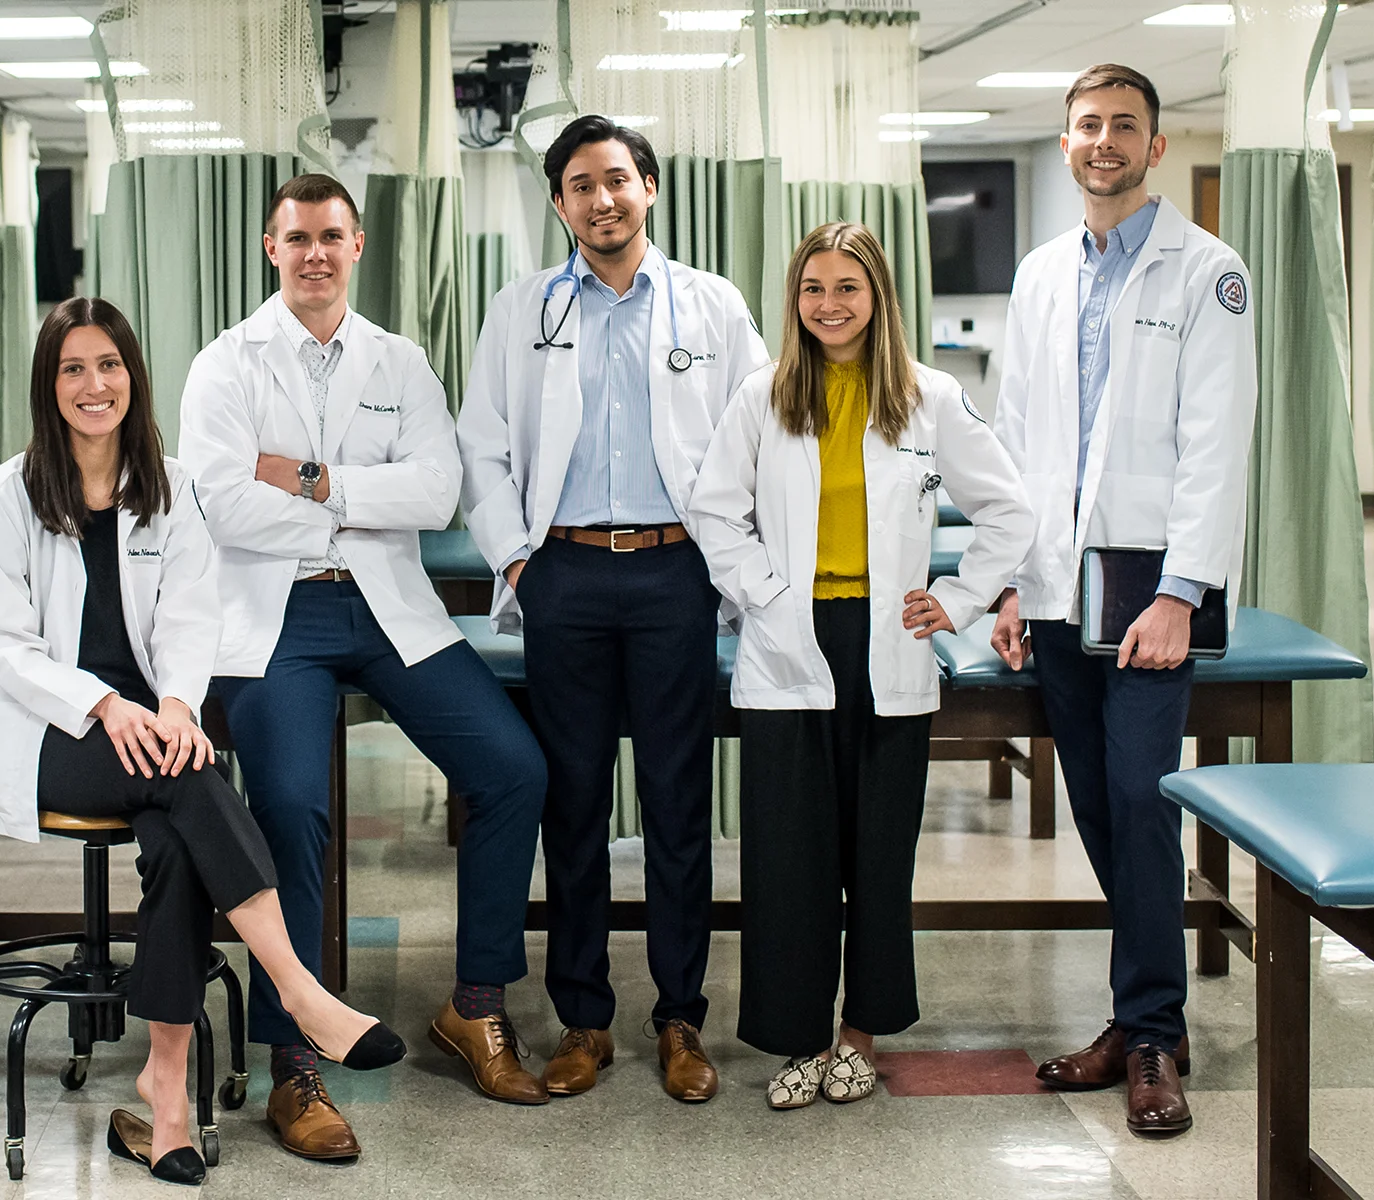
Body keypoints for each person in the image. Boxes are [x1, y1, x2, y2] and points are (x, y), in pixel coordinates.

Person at [0, 297, 404, 1186]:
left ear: (134, 376)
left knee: (177, 832)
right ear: (50, 385)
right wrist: (107, 707)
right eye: (74, 368)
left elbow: (193, 616)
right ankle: (301, 992)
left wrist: (174, 705)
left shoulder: (164, 485)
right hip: (52, 734)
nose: (95, 385)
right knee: (189, 788)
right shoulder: (10, 492)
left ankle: (167, 1101)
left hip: (152, 730)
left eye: (110, 365)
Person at [178, 174, 550, 1158]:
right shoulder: (224, 367)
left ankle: (474, 1004)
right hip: (273, 617)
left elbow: (435, 495)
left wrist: (305, 479)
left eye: (329, 237)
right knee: (290, 807)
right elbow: (220, 504)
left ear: (356, 245)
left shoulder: (398, 359)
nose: (313, 253)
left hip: (388, 608)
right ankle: (295, 1065)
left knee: (512, 771)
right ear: (270, 248)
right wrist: (357, 497)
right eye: (295, 237)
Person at [458, 114, 768, 1102]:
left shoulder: (711, 307)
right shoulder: (520, 309)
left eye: (617, 180)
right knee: (573, 803)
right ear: (559, 204)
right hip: (565, 577)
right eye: (580, 184)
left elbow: (753, 436)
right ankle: (582, 1019)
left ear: (649, 190)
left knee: (679, 803)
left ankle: (681, 1018)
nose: (601, 199)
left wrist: (731, 567)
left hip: (676, 575)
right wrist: (514, 562)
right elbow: (482, 445)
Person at [687, 222, 1031, 1110]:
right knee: (788, 858)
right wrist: (765, 593)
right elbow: (713, 511)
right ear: (794, 299)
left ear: (878, 296)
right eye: (813, 288)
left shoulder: (931, 398)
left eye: (847, 287)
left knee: (877, 858)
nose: (829, 305)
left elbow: (1009, 512)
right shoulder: (763, 396)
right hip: (787, 645)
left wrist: (956, 601)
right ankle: (797, 1039)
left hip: (891, 648)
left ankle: (858, 1034)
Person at [989, 63, 1257, 1138]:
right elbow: (1012, 438)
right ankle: (1145, 1011)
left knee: (1141, 801)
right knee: (1097, 805)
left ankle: (1148, 1032)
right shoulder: (1043, 271)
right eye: (1085, 125)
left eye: (1123, 126)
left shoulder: (1208, 272)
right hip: (1055, 579)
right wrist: (1006, 575)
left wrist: (1182, 590)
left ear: (1154, 147)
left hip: (1149, 582)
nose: (1102, 140)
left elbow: (1215, 442)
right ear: (1064, 144)